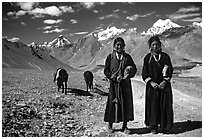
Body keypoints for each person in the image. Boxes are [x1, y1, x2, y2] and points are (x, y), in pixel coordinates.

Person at [104, 37, 137, 134]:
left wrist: (129, 72)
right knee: (112, 103)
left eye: (121, 45)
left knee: (126, 103)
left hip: (125, 85)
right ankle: (110, 124)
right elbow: (106, 71)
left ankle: (125, 125)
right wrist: (113, 77)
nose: (119, 46)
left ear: (124, 46)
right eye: (117, 45)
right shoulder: (110, 57)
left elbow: (134, 68)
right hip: (114, 85)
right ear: (114, 46)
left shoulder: (127, 57)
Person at [142, 36, 174, 134]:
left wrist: (164, 81)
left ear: (160, 45)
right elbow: (144, 73)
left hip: (164, 86)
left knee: (165, 105)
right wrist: (151, 82)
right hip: (152, 87)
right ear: (150, 46)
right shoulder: (148, 58)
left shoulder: (165, 57)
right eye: (153, 45)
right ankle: (154, 126)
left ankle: (165, 126)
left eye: (157, 45)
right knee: (153, 106)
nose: (155, 47)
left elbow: (169, 69)